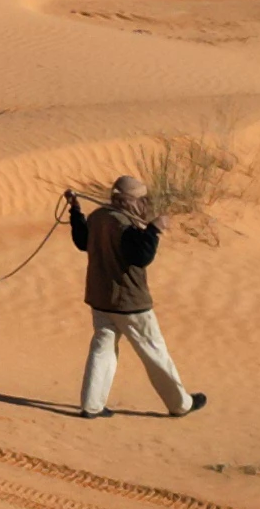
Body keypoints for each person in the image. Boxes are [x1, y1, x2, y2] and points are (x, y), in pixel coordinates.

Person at [68, 173, 205, 418]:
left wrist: (76, 211)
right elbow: (141, 256)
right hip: (130, 303)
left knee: (102, 348)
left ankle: (91, 405)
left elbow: (82, 240)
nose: (143, 204)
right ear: (128, 201)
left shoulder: (99, 217)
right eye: (139, 200)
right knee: (154, 351)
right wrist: (153, 230)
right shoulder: (123, 224)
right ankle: (180, 404)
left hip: (101, 300)